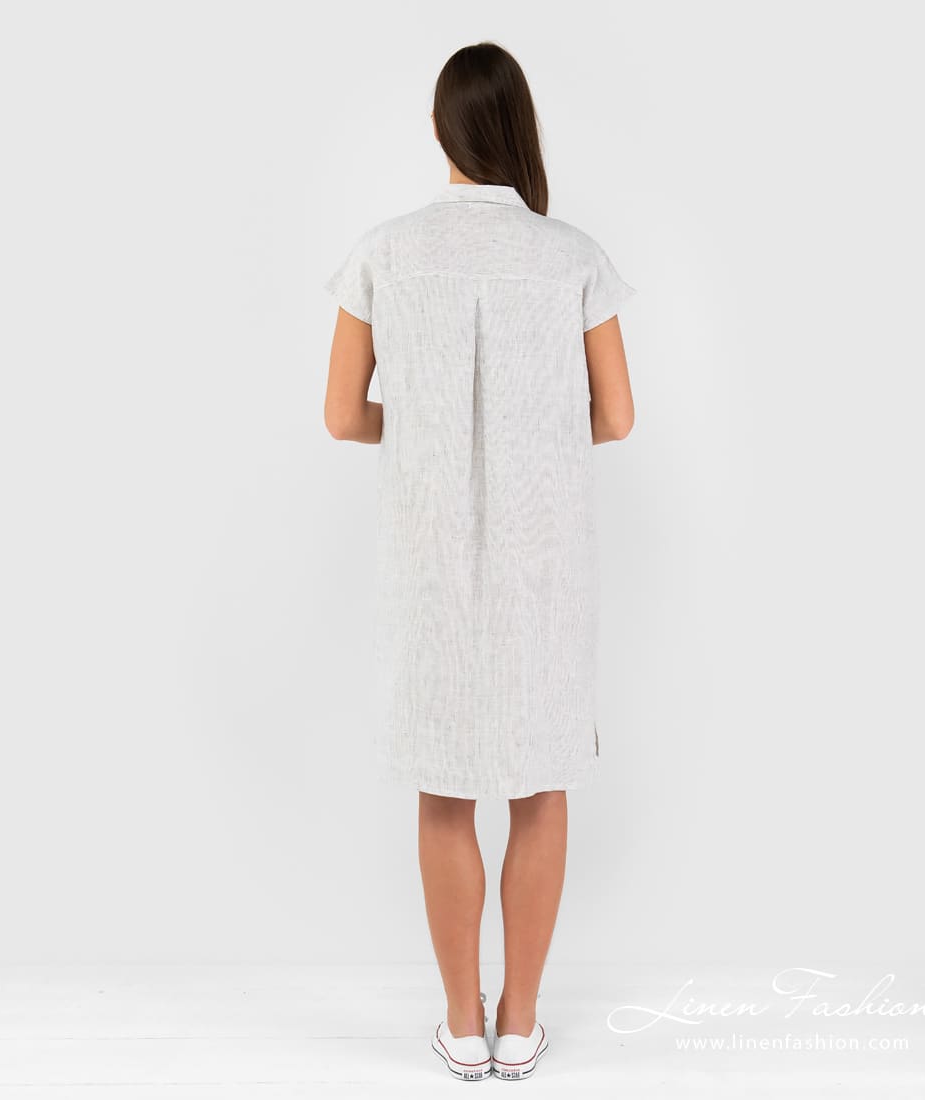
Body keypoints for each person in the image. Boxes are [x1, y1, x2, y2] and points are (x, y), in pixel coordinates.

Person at [323, 41, 636, 1082]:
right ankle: (521, 1018)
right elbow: (616, 415)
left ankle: (461, 1024)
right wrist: (530, 432)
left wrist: (421, 428)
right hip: (546, 566)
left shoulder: (382, 251)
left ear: (438, 129)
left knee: (444, 787)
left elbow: (341, 415)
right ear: (518, 127)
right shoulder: (572, 255)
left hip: (427, 569)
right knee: (540, 786)